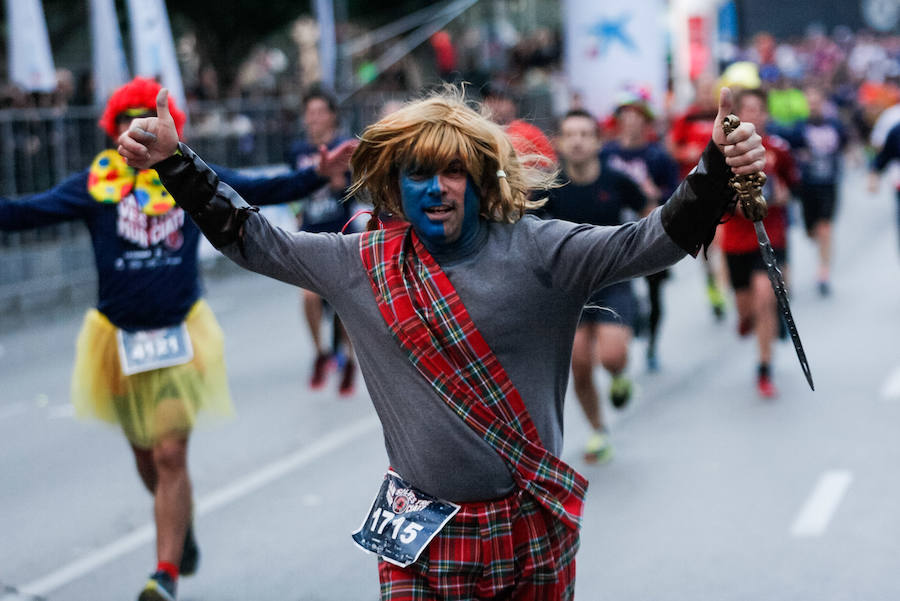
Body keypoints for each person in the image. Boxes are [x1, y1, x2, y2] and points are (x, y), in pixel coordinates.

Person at [119, 84, 765, 600]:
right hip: (419, 533)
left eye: (453, 171)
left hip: (527, 525)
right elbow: (251, 238)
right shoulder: (358, 262)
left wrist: (715, 170)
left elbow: (647, 241)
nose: (436, 187)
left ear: (480, 180)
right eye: (418, 172)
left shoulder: (544, 251)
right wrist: (177, 162)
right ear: (394, 185)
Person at [0, 76, 354, 601]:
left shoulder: (183, 176)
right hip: (116, 343)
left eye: (147, 117)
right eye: (126, 119)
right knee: (147, 458)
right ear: (112, 129)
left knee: (170, 455)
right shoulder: (96, 185)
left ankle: (164, 574)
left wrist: (316, 178)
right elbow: (26, 213)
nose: (136, 128)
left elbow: (257, 188)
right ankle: (179, 523)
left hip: (180, 335)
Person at [545, 108, 652, 463]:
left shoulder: (616, 181)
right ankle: (597, 431)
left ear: (597, 141)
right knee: (578, 364)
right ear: (559, 142)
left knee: (610, 356)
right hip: (567, 290)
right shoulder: (549, 188)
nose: (577, 141)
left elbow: (648, 211)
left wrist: (647, 252)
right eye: (570, 134)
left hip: (613, 281)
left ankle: (620, 375)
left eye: (584, 134)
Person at [718, 88, 799, 399]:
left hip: (770, 238)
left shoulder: (778, 149)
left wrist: (778, 197)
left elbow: (792, 185)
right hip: (736, 242)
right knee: (747, 308)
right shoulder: (726, 152)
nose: (753, 114)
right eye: (746, 109)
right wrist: (735, 206)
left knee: (765, 296)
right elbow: (713, 196)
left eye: (758, 109)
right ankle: (746, 316)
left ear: (766, 113)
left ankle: (764, 370)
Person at [600, 88, 680, 372]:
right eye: (626, 114)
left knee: (655, 292)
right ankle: (622, 339)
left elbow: (676, 193)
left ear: (646, 120)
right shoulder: (606, 154)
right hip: (613, 234)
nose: (631, 120)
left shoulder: (657, 156)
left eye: (637, 114)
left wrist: (654, 194)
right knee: (619, 291)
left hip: (651, 234)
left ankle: (652, 345)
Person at [285, 86, 358, 394]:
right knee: (308, 297)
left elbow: (355, 191)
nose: (313, 118)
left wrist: (341, 182)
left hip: (341, 233)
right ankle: (320, 353)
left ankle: (348, 358)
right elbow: (290, 190)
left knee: (343, 304)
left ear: (332, 116)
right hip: (310, 236)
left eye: (319, 112)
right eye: (309, 113)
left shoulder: (346, 146)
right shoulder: (297, 151)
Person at [669, 75, 731, 321]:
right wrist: (687, 152)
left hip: (722, 190)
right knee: (706, 251)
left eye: (710, 91)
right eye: (702, 91)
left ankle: (724, 291)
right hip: (694, 193)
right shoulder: (686, 118)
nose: (706, 96)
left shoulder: (724, 118)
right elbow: (672, 148)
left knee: (721, 244)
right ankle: (713, 287)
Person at [784, 84, 847, 295]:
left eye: (816, 102)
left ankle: (823, 272)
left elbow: (845, 144)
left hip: (829, 184)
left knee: (825, 227)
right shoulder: (798, 129)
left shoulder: (835, 126)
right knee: (812, 231)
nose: (813, 106)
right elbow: (787, 151)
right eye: (809, 102)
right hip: (807, 186)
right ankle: (817, 243)